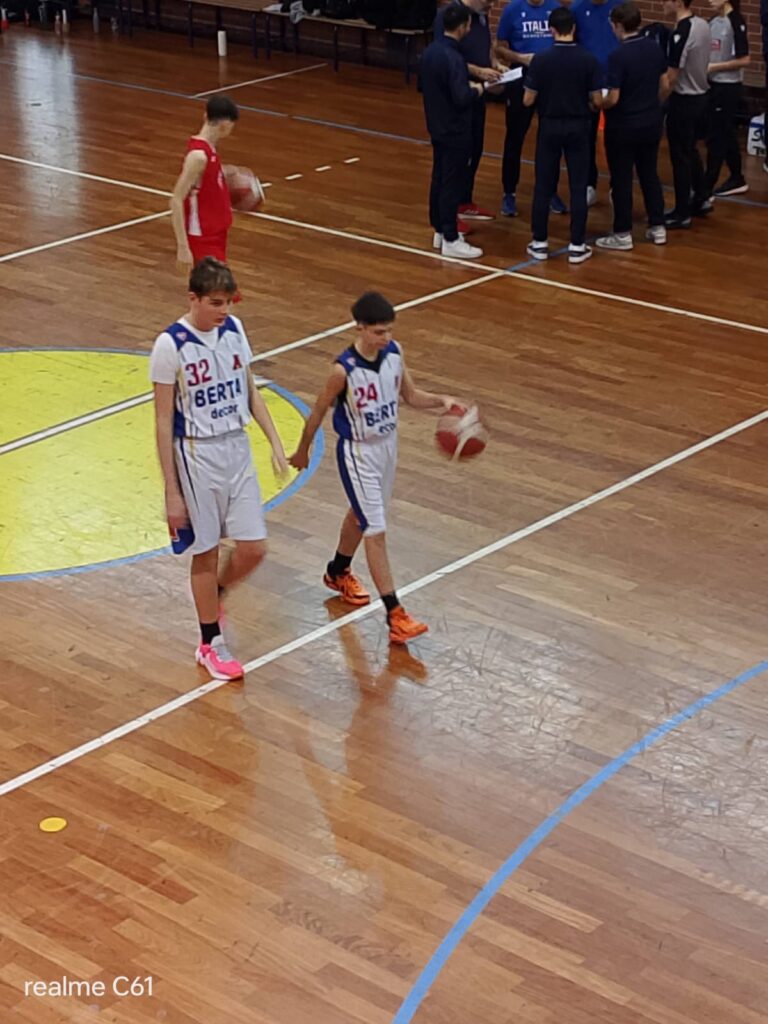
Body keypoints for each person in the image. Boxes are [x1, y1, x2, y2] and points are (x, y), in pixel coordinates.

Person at [288, 291, 459, 646]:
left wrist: (442, 400)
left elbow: (411, 396)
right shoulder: (342, 370)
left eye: (389, 331)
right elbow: (318, 411)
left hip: (388, 447)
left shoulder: (395, 353)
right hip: (359, 453)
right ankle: (396, 614)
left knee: (360, 515)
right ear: (360, 328)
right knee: (375, 529)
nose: (386, 338)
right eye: (379, 332)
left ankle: (337, 571)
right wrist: (303, 450)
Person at [150, 257, 289, 681]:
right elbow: (162, 420)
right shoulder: (170, 345)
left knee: (254, 548)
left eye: (228, 302)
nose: (223, 310)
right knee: (206, 549)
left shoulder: (234, 330)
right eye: (215, 302)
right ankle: (210, 642)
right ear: (193, 298)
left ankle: (216, 594)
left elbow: (250, 389)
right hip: (197, 453)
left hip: (237, 447)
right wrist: (171, 491)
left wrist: (274, 441)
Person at [524, 6, 602, 263]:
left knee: (543, 184)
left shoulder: (541, 59)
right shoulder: (588, 59)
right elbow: (597, 100)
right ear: (574, 28)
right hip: (579, 127)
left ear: (551, 30)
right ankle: (577, 245)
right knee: (578, 186)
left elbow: (527, 100)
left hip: (549, 125)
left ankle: (539, 242)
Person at [596, 2, 668, 250]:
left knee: (622, 178)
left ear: (617, 25)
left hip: (623, 126)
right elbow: (665, 85)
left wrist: (599, 104)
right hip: (651, 122)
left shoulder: (617, 56)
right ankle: (658, 226)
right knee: (649, 174)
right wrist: (652, 105)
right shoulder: (654, 48)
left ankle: (622, 233)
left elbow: (613, 98)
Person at [421, 3, 486, 258]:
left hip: (436, 125)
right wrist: (478, 89)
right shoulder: (454, 58)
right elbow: (461, 97)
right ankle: (450, 236)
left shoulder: (430, 52)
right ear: (463, 27)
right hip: (456, 128)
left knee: (438, 178)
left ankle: (439, 229)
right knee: (451, 182)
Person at [495, 0, 567, 217]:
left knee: (552, 136)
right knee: (515, 136)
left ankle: (550, 190)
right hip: (522, 75)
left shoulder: (555, 8)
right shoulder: (512, 10)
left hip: (551, 77)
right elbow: (498, 47)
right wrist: (520, 58)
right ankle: (509, 192)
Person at [434, 0, 502, 224]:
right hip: (459, 93)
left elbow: (486, 46)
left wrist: (494, 64)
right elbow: (446, 57)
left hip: (478, 94)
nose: (492, 5)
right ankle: (449, 212)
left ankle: (464, 200)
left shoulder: (481, 15)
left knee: (475, 147)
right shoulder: (448, 16)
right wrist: (478, 71)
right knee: (457, 156)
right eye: (489, 1)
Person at [171, 96, 238, 271]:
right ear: (225, 125)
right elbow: (176, 199)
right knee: (217, 288)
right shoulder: (198, 157)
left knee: (216, 288)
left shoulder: (209, 150)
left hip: (216, 234)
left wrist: (225, 175)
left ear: (205, 115)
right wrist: (183, 247)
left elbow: (203, 182)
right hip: (203, 237)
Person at [661, 0, 711, 228]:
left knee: (679, 156)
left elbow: (672, 77)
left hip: (684, 99)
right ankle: (701, 197)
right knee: (690, 150)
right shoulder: (702, 24)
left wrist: (658, 102)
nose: (663, 3)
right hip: (701, 96)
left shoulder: (681, 32)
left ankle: (681, 212)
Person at [571, 0, 623, 205]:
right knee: (586, 137)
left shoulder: (620, 6)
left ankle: (617, 186)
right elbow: (572, 43)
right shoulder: (577, 8)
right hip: (588, 84)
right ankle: (588, 184)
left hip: (615, 83)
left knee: (616, 138)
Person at [704, 0, 750, 198]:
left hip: (728, 86)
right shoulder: (713, 21)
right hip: (712, 84)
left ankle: (706, 187)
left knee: (717, 137)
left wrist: (714, 67)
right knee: (725, 131)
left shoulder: (736, 21)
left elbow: (744, 59)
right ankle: (737, 178)